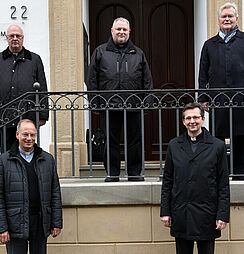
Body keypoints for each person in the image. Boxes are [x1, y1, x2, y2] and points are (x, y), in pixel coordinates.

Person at [87, 17, 153, 182]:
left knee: (135, 140)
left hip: (134, 105)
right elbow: (92, 80)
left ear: (129, 32)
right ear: (112, 31)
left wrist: (148, 103)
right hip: (109, 105)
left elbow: (147, 80)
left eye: (124, 30)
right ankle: (112, 173)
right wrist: (94, 103)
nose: (121, 32)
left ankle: (134, 173)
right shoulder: (100, 52)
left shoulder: (138, 53)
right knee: (111, 141)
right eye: (118, 29)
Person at [160, 102, 230, 254]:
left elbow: (223, 184)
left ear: (203, 119)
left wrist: (222, 215)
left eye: (196, 117)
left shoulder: (217, 146)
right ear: (184, 121)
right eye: (188, 118)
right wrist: (165, 211)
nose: (192, 121)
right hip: (181, 213)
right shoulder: (174, 145)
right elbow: (168, 181)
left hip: (207, 214)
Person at [0, 119, 62, 254]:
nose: (29, 138)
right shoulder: (4, 161)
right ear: (17, 135)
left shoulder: (47, 159)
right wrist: (1, 228)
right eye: (25, 134)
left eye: (32, 135)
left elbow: (55, 193)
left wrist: (56, 223)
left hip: (40, 221)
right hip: (15, 222)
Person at [0, 24, 49, 153]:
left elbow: (42, 88)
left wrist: (43, 114)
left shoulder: (34, 59)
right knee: (7, 154)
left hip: (28, 115)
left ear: (22, 38)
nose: (15, 38)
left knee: (28, 152)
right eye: (11, 36)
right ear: (6, 38)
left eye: (18, 36)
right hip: (4, 115)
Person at [199, 2, 244, 180]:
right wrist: (203, 98)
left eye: (230, 16)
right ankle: (221, 173)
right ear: (218, 20)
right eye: (224, 17)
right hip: (218, 100)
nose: (227, 19)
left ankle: (240, 172)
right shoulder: (209, 44)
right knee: (218, 137)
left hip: (241, 100)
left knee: (241, 136)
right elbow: (203, 74)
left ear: (236, 19)